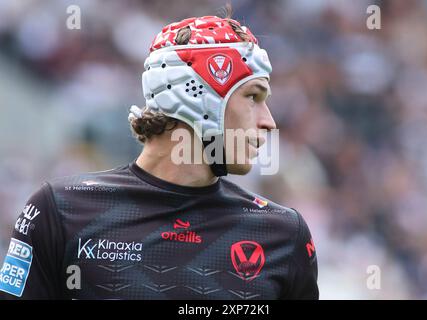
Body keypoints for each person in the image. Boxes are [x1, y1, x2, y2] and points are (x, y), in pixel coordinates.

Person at [0, 13, 318, 300]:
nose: (269, 121)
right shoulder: (59, 210)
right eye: (253, 96)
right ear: (199, 98)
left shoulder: (282, 234)